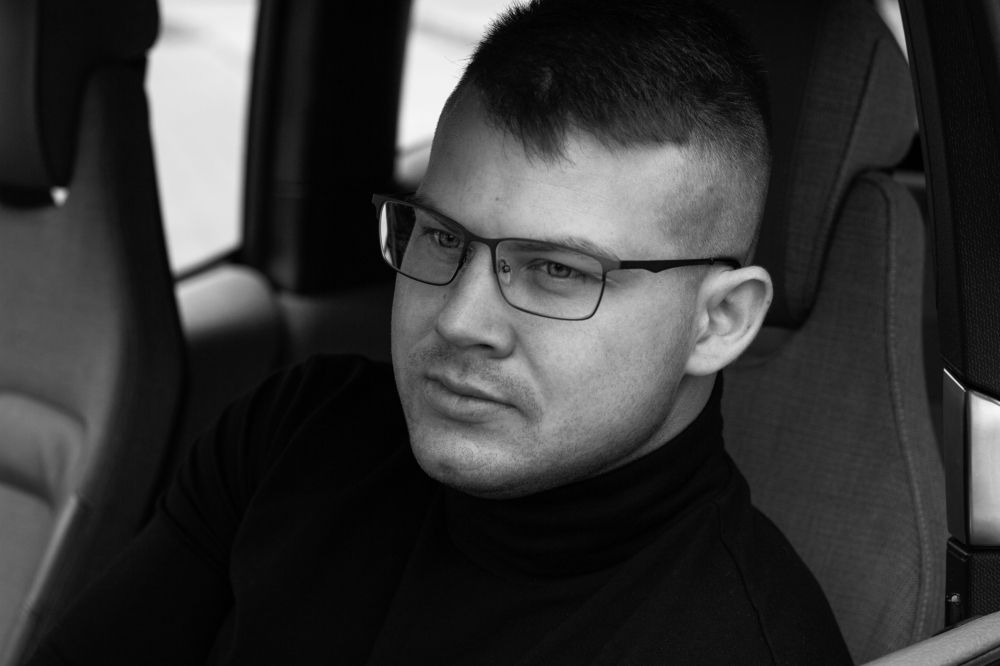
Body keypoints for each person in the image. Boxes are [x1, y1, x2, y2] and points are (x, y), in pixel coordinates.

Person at [27, 0, 851, 663]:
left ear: (719, 321)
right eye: (442, 238)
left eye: (557, 269)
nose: (459, 320)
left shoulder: (743, 643)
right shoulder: (300, 432)